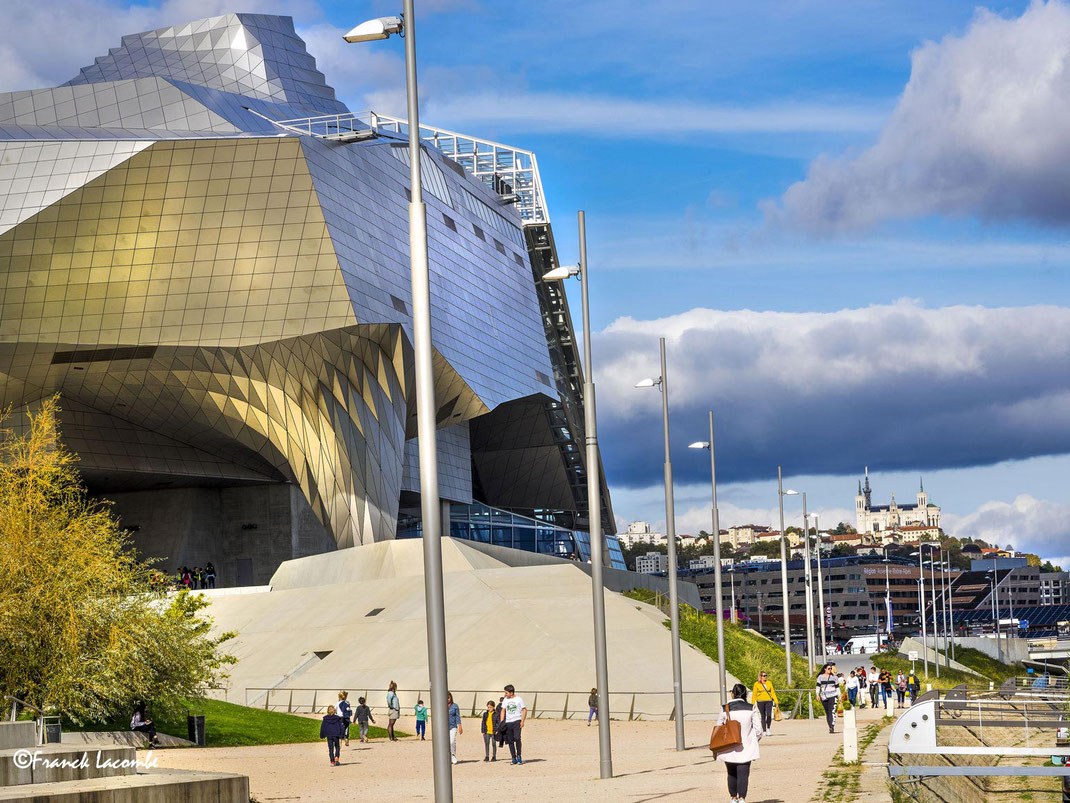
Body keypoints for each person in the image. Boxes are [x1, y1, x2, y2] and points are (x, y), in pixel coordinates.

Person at [714, 682, 763, 803]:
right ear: (745, 694)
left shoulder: (724, 708)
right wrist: (753, 740)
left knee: (731, 773)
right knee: (743, 773)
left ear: (732, 694)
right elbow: (758, 730)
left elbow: (718, 727)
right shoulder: (751, 707)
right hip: (746, 746)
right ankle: (742, 798)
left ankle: (733, 797)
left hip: (728, 746)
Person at [500, 684, 526, 765]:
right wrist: (502, 721)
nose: (505, 694)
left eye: (506, 693)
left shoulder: (519, 699)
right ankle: (513, 757)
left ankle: (519, 756)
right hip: (508, 722)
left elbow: (524, 710)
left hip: (517, 721)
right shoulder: (505, 700)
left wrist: (522, 721)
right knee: (510, 740)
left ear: (511, 692)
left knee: (517, 738)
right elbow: (503, 710)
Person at [750, 671, 779, 736]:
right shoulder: (756, 684)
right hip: (760, 701)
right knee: (763, 716)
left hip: (769, 701)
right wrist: (752, 703)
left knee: (769, 715)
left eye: (766, 675)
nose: (765, 677)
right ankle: (764, 730)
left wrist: (776, 701)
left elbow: (773, 692)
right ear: (760, 676)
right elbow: (754, 694)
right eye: (764, 675)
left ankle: (768, 728)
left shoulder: (769, 683)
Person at [816, 664, 840, 734]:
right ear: (825, 669)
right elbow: (818, 686)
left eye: (830, 669)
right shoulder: (820, 677)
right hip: (824, 696)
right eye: (829, 668)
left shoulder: (834, 677)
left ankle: (832, 726)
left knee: (832, 711)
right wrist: (817, 694)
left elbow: (837, 687)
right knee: (827, 712)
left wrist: (839, 696)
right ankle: (830, 726)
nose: (830, 670)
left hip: (833, 695)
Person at [447, 692, 462, 765]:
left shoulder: (455, 706)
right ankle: (447, 757)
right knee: (445, 743)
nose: (447, 699)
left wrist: (460, 726)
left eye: (448, 697)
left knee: (452, 741)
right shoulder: (441, 705)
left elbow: (457, 716)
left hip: (452, 726)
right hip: (444, 727)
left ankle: (453, 755)